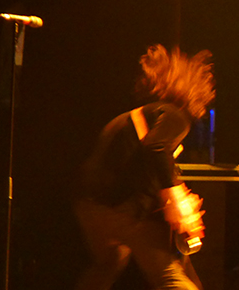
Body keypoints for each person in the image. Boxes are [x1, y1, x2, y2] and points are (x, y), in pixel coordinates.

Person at [74, 45, 214, 290]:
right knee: (171, 276)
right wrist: (178, 200)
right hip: (123, 211)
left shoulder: (131, 118)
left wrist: (175, 196)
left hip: (89, 208)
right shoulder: (175, 114)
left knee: (109, 264)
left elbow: (137, 166)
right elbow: (157, 148)